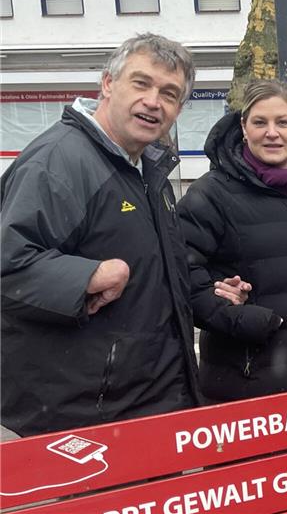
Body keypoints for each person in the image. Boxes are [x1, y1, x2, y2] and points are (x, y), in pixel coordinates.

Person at [1, 33, 206, 436]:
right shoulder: (59, 162)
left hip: (151, 399)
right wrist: (87, 278)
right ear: (108, 84)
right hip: (87, 417)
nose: (153, 101)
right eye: (141, 83)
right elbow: (8, 267)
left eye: (169, 93)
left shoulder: (149, 169)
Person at [177, 79, 287, 402]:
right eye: (259, 122)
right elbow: (182, 279)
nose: (272, 133)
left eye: (282, 122)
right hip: (243, 383)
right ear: (244, 127)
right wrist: (242, 319)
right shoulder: (210, 194)